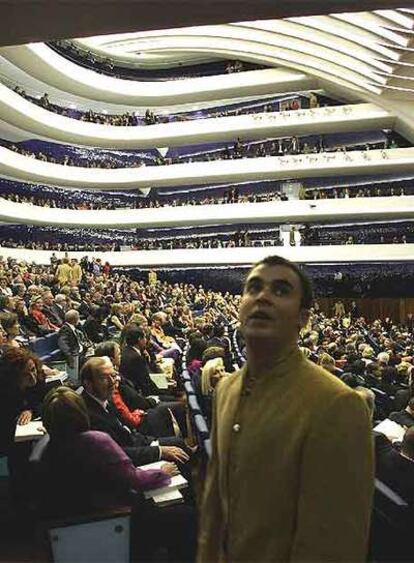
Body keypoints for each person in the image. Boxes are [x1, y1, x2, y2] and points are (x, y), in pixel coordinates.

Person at [198, 255, 374, 562]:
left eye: (280, 290)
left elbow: (333, 547)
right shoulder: (225, 389)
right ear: (240, 306)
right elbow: (214, 507)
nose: (262, 296)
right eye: (253, 288)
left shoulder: (339, 404)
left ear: (303, 318)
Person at [38, 387, 196, 562]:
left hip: (72, 526)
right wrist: (162, 472)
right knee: (187, 517)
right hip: (113, 519)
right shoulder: (96, 441)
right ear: (80, 412)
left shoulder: (46, 449)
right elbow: (135, 480)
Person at [57, 309, 83, 384]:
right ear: (75, 319)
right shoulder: (65, 328)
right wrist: (70, 356)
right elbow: (63, 344)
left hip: (80, 352)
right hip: (74, 355)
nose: (79, 320)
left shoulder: (73, 327)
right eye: (78, 318)